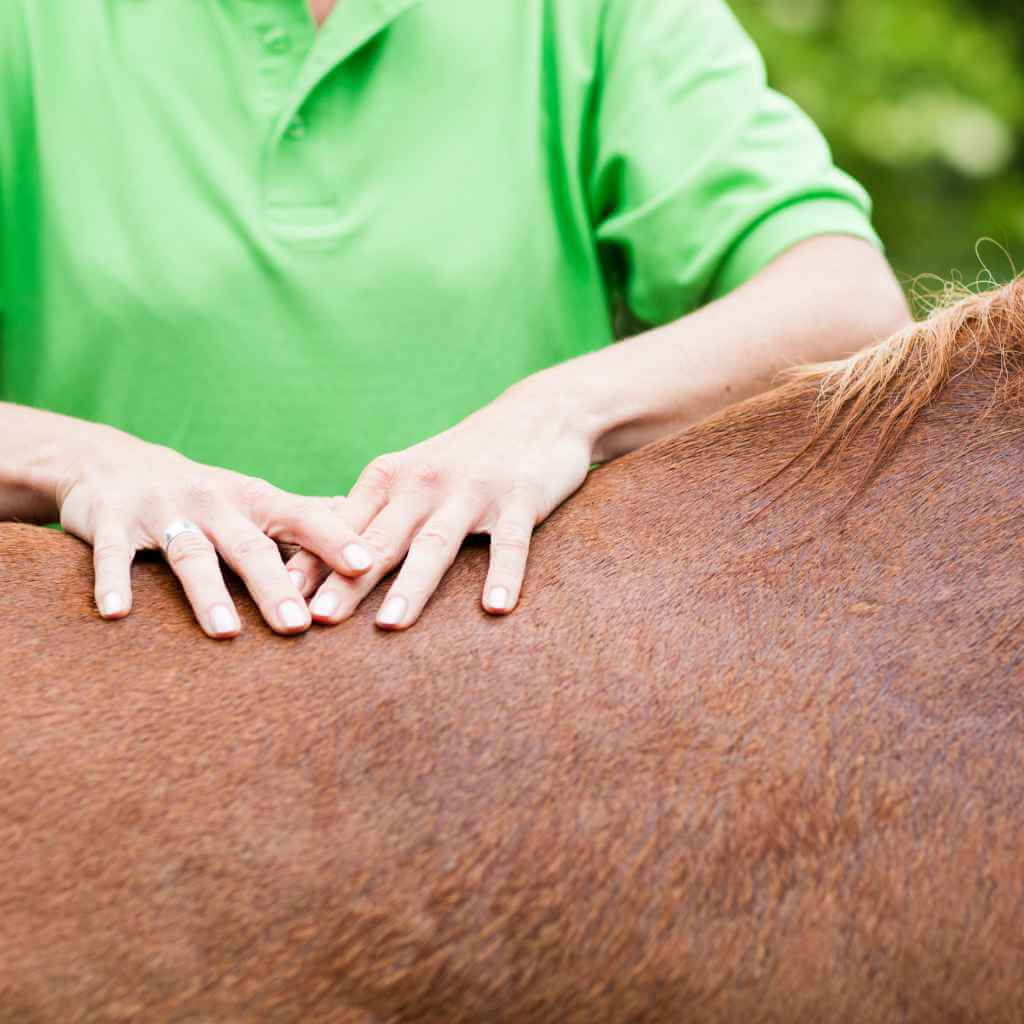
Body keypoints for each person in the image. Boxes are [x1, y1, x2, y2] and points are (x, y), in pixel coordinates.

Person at [0, 0, 911, 639]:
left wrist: (553, 414)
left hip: (505, 711)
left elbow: (849, 303)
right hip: (92, 717)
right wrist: (82, 462)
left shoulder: (595, 14)